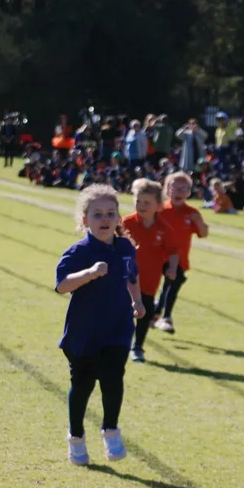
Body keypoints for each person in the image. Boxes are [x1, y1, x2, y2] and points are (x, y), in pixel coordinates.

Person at [55, 185, 145, 465]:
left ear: (119, 218)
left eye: (110, 213)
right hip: (84, 332)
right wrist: (90, 273)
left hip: (118, 328)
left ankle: (110, 430)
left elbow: (132, 277)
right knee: (82, 385)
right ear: (85, 221)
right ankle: (76, 437)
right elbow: (62, 285)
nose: (104, 219)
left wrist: (138, 302)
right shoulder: (79, 251)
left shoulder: (126, 248)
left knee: (113, 379)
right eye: (97, 214)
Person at [122, 179, 179, 363]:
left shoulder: (164, 229)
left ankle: (137, 347)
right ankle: (115, 344)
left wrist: (172, 268)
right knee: (120, 313)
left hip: (149, 282)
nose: (141, 205)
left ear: (158, 205)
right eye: (138, 201)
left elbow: (173, 251)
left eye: (147, 202)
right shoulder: (126, 224)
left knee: (144, 315)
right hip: (124, 281)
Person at [154, 172, 209, 334]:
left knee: (172, 283)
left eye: (183, 189)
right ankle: (166, 316)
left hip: (180, 258)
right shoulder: (160, 210)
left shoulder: (192, 213)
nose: (179, 192)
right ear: (167, 190)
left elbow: (203, 234)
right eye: (175, 188)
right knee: (173, 281)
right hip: (159, 257)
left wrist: (199, 221)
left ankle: (157, 312)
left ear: (189, 192)